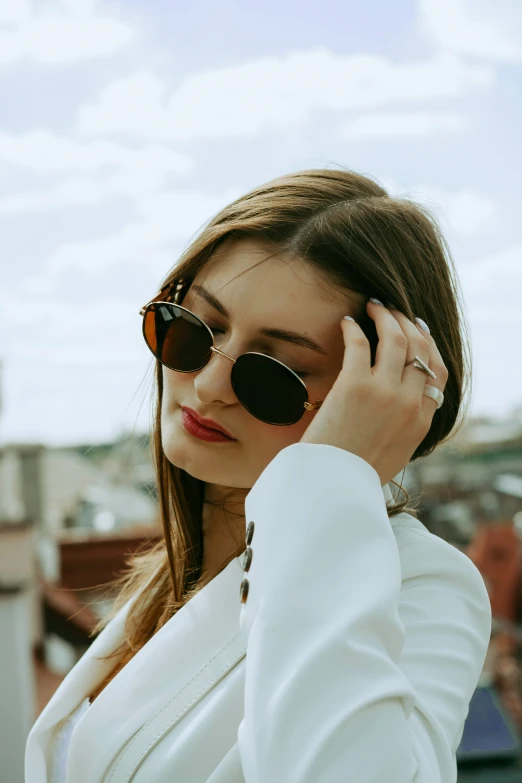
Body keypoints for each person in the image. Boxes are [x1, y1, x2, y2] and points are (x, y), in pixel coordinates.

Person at [25, 168, 492, 783]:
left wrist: (330, 477)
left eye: (276, 373)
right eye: (195, 331)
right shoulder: (172, 572)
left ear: (385, 392)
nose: (211, 386)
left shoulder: (425, 588)